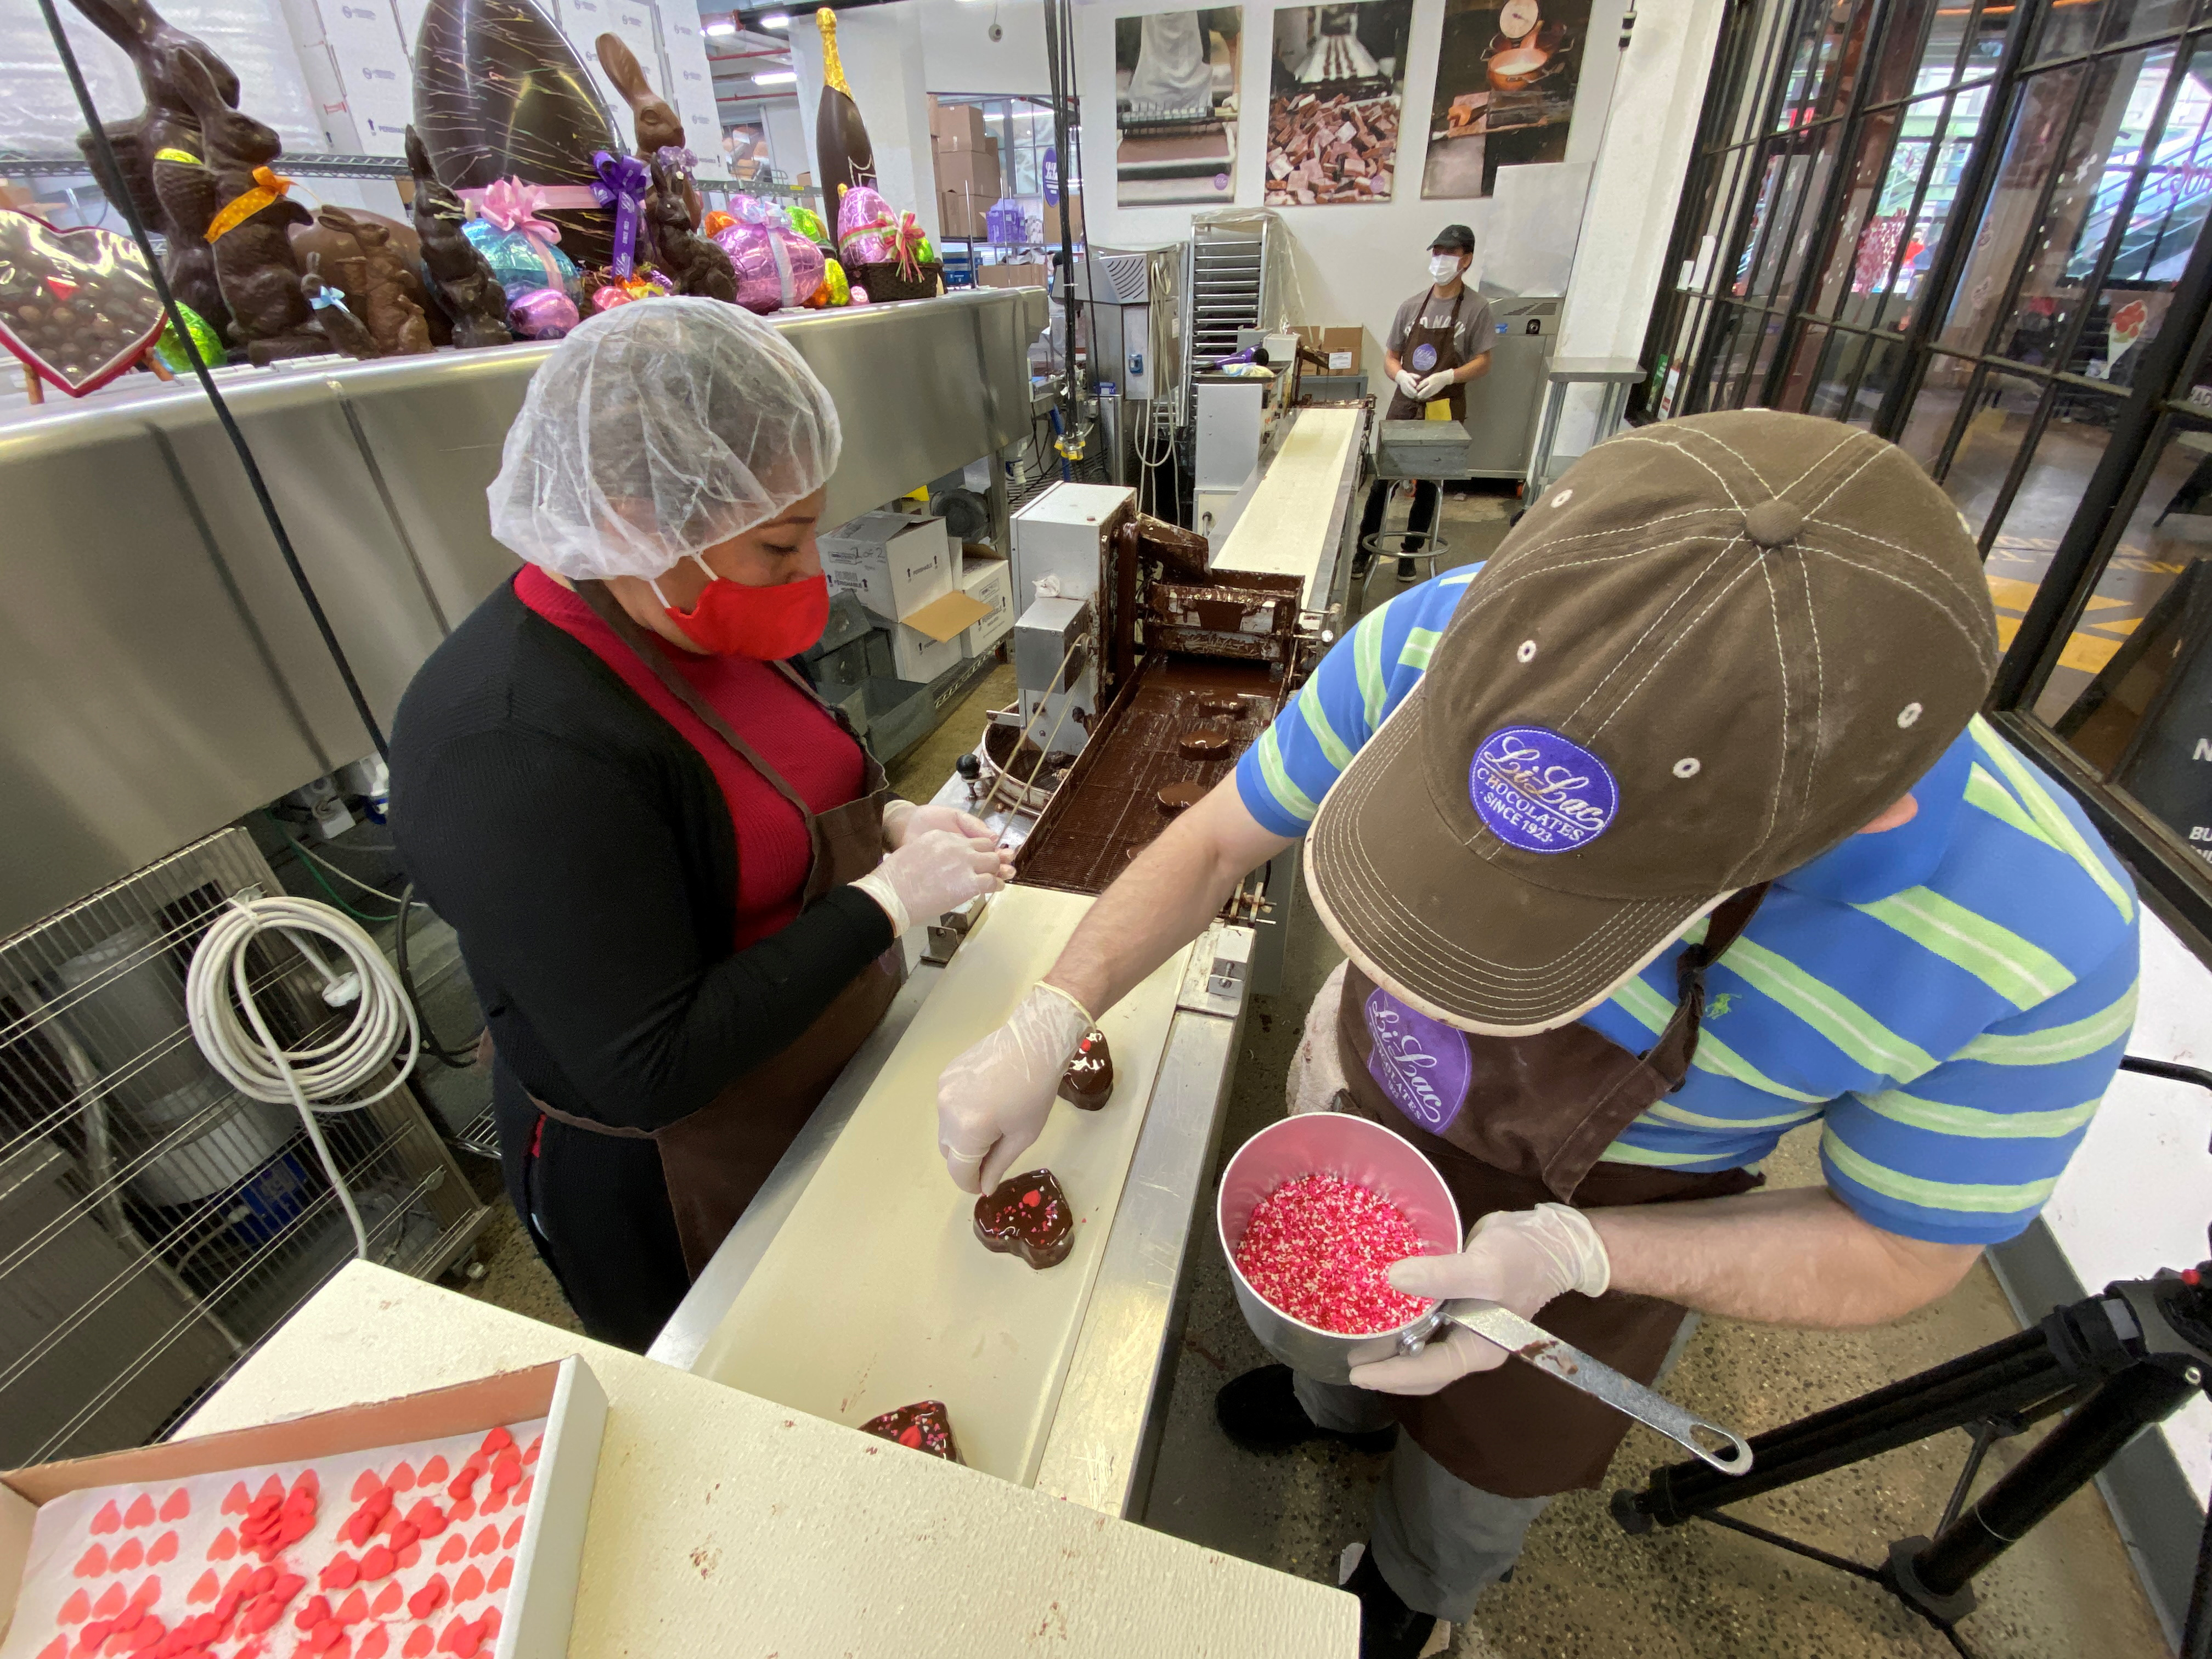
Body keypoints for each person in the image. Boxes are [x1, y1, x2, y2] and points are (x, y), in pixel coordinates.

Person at [935, 410, 2139, 1656]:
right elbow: (1218, 843)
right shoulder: (1472, 635)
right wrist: (1050, 1011)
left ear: (1869, 816)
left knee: (1476, 1483)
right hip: (1371, 1098)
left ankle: (1413, 1588)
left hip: (1615, 1222)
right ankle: (1329, 1405)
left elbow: (1903, 1249)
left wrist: (1578, 1250)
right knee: (1331, 1346)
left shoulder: (2038, 941)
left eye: (1573, 912)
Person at [391, 300, 1011, 1352]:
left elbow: (782, 778)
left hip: (817, 1060)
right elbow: (653, 1060)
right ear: (638, 520)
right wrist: (885, 901)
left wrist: (890, 818)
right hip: (677, 1166)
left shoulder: (692, 603)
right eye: (781, 543)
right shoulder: (511, 741)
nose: (808, 571)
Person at [1356, 224, 1494, 585]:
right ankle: (1362, 551)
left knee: (1430, 482)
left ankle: (1411, 554)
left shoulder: (1477, 309)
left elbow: (1484, 361)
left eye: (1449, 254)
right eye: (1436, 253)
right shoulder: (1412, 306)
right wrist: (1399, 375)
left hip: (1444, 406)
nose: (1440, 261)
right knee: (1384, 479)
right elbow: (1391, 357)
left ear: (1466, 260)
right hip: (1406, 403)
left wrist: (1448, 377)